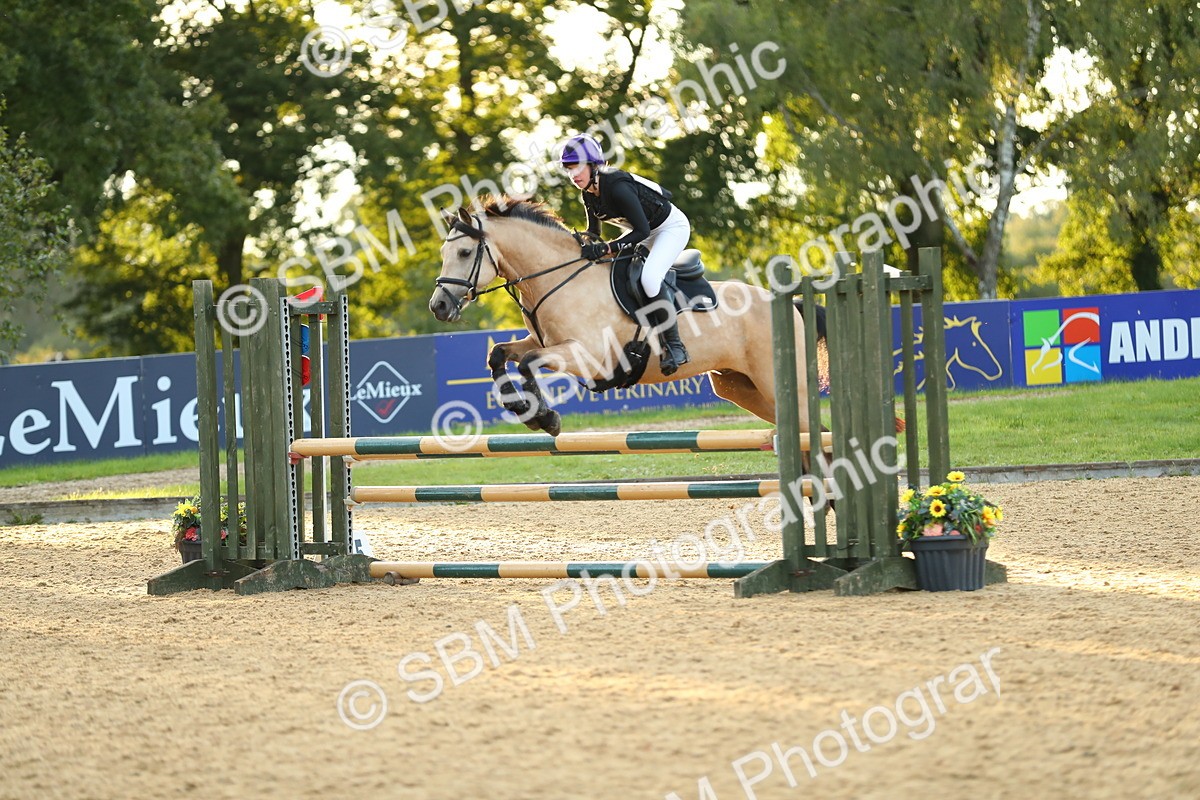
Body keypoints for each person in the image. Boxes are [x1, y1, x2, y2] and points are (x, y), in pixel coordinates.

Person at [560, 134, 690, 375]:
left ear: (593, 165)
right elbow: (593, 232)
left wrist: (607, 248)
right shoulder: (588, 192)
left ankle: (675, 346)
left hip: (670, 229)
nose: (573, 175)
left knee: (649, 278)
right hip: (644, 232)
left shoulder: (617, 187)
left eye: (577, 167)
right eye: (569, 170)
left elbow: (641, 231)